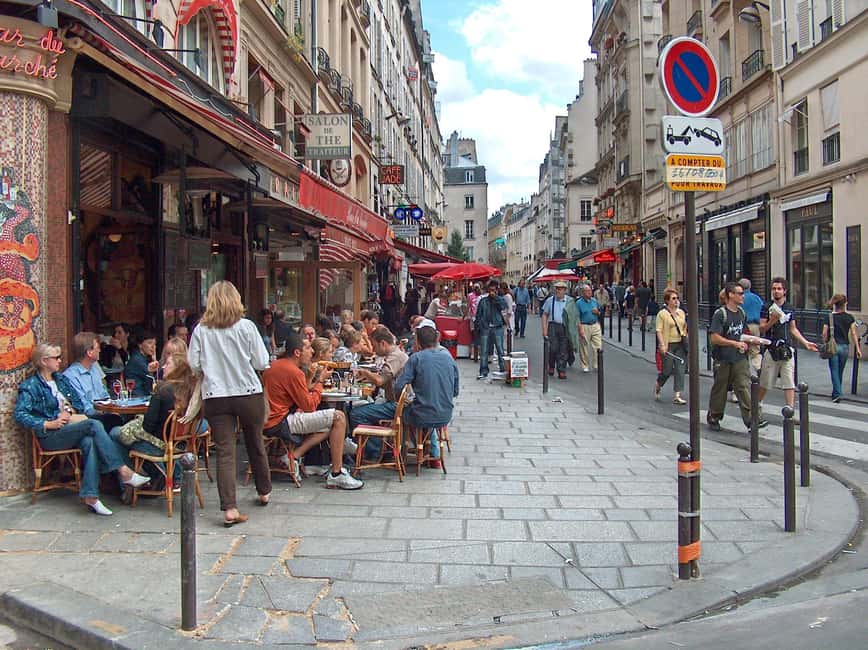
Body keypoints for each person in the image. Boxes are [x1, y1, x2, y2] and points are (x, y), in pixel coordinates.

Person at [14, 343, 150, 515]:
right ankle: (124, 471)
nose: (60, 361)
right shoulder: (31, 385)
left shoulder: (61, 380)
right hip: (50, 434)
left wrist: (69, 412)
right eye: (56, 358)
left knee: (89, 441)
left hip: (69, 427)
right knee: (94, 424)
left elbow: (78, 404)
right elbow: (20, 414)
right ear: (44, 361)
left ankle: (91, 496)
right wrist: (48, 423)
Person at [188, 281, 272, 527]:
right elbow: (262, 361)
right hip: (248, 392)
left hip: (215, 395)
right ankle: (264, 490)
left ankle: (230, 508)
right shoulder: (246, 327)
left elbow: (194, 365)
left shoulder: (201, 330)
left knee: (225, 451)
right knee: (255, 441)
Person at [262, 332, 363, 489]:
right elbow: (309, 406)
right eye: (308, 348)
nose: (312, 351)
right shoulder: (293, 371)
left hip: (268, 419)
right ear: (297, 352)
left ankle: (293, 456)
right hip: (281, 421)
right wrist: (320, 381)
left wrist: (313, 379)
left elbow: (302, 392)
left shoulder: (276, 365)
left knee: (329, 425)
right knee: (339, 417)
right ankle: (336, 473)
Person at [395, 325, 459, 469]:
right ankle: (431, 452)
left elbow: (399, 386)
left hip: (421, 414)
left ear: (418, 342)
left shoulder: (416, 358)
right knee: (426, 408)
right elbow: (455, 391)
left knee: (403, 413)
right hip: (445, 414)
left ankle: (403, 454)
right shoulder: (448, 357)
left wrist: (403, 400)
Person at [758, 277, 818, 409]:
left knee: (789, 381)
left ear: (785, 291)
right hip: (771, 348)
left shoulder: (789, 308)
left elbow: (793, 328)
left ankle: (790, 410)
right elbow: (762, 328)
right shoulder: (766, 307)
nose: (776, 291)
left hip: (786, 348)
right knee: (765, 381)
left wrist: (806, 343)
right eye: (774, 289)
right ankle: (757, 404)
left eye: (779, 289)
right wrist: (772, 321)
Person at [349, 326, 409, 459]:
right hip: (395, 402)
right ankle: (373, 447)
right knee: (360, 408)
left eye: (375, 346)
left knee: (356, 414)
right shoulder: (395, 355)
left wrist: (365, 372)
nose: (373, 350)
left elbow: (380, 380)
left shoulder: (395, 357)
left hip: (397, 405)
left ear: (383, 343)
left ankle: (374, 450)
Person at [707, 282, 760, 431]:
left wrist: (751, 341)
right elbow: (714, 338)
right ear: (731, 295)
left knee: (743, 386)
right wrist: (734, 343)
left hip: (739, 358)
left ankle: (752, 420)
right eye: (740, 293)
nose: (743, 296)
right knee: (720, 388)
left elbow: (742, 334)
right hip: (723, 358)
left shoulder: (742, 313)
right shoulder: (720, 314)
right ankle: (714, 416)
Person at [63, 331, 119, 429]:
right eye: (98, 348)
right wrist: (106, 411)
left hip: (104, 414)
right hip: (88, 420)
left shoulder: (94, 368)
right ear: (89, 352)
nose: (100, 351)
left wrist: (112, 408)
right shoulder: (71, 376)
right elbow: (83, 407)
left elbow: (105, 395)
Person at [822, 294, 863, 402]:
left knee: (834, 370)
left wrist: (824, 343)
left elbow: (824, 333)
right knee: (840, 371)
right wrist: (858, 348)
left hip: (833, 346)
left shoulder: (829, 317)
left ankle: (838, 393)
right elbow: (853, 333)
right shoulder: (849, 317)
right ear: (845, 304)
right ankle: (836, 392)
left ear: (835, 304)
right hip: (845, 347)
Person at [654, 289, 688, 405]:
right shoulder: (662, 314)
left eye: (677, 298)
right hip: (668, 345)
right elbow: (659, 330)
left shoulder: (681, 312)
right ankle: (658, 384)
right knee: (667, 370)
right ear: (667, 300)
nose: (676, 300)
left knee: (680, 369)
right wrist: (662, 345)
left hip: (680, 344)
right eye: (673, 298)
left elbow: (684, 327)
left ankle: (677, 395)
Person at [475, 280, 508, 379]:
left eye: (493, 290)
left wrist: (496, 299)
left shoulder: (500, 299)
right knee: (484, 350)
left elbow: (504, 308)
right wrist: (480, 325)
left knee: (500, 349)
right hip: (486, 327)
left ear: (497, 290)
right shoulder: (483, 301)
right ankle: (483, 371)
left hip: (497, 327)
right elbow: (478, 314)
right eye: (490, 290)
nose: (491, 292)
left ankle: (503, 369)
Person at [541, 281, 573, 380]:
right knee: (553, 348)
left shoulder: (570, 301)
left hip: (565, 327)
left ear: (565, 290)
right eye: (557, 289)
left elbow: (574, 316)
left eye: (560, 289)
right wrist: (544, 329)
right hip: (553, 326)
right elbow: (545, 315)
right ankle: (551, 365)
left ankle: (561, 370)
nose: (558, 291)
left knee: (563, 349)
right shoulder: (550, 300)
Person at [739, 278, 764, 375]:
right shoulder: (757, 298)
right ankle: (758, 368)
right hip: (756, 326)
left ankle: (745, 372)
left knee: (742, 349)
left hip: (744, 326)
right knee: (755, 350)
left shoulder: (740, 298)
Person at [124, 329, 158, 397]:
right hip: (138, 396)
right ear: (140, 345)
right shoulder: (137, 359)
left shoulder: (145, 358)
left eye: (154, 344)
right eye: (149, 343)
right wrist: (154, 359)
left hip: (144, 395)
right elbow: (151, 377)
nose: (153, 347)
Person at [576, 284, 602, 373]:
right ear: (583, 292)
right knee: (584, 347)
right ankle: (585, 365)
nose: (589, 292)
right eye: (587, 291)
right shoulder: (578, 303)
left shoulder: (594, 301)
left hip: (595, 324)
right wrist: (580, 329)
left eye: (590, 290)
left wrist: (597, 312)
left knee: (598, 345)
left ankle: (597, 364)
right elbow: (577, 317)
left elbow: (600, 312)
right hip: (584, 325)